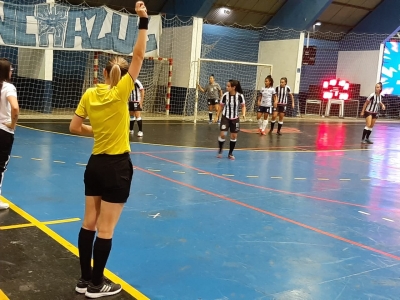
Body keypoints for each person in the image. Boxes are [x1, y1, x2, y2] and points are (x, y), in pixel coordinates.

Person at [69, 2, 148, 298]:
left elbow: (75, 128)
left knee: (89, 221)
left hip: (94, 166)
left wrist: (96, 131)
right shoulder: (121, 93)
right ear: (124, 75)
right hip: (116, 167)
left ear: (103, 73)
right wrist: (143, 20)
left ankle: (83, 279)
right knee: (106, 228)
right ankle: (97, 284)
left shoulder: (91, 93)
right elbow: (139, 54)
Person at [0, 59, 18, 210]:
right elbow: (15, 108)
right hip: (3, 132)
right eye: (11, 69)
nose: (12, 71)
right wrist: (12, 124)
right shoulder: (8, 88)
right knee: (0, 167)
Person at [215, 80, 246, 160]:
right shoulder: (225, 95)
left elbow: (243, 106)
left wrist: (243, 114)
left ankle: (230, 153)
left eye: (228, 86)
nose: (226, 87)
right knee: (223, 134)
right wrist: (217, 116)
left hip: (235, 118)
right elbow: (221, 106)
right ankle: (220, 149)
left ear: (233, 87)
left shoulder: (240, 96)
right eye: (226, 86)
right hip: (225, 117)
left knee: (234, 136)